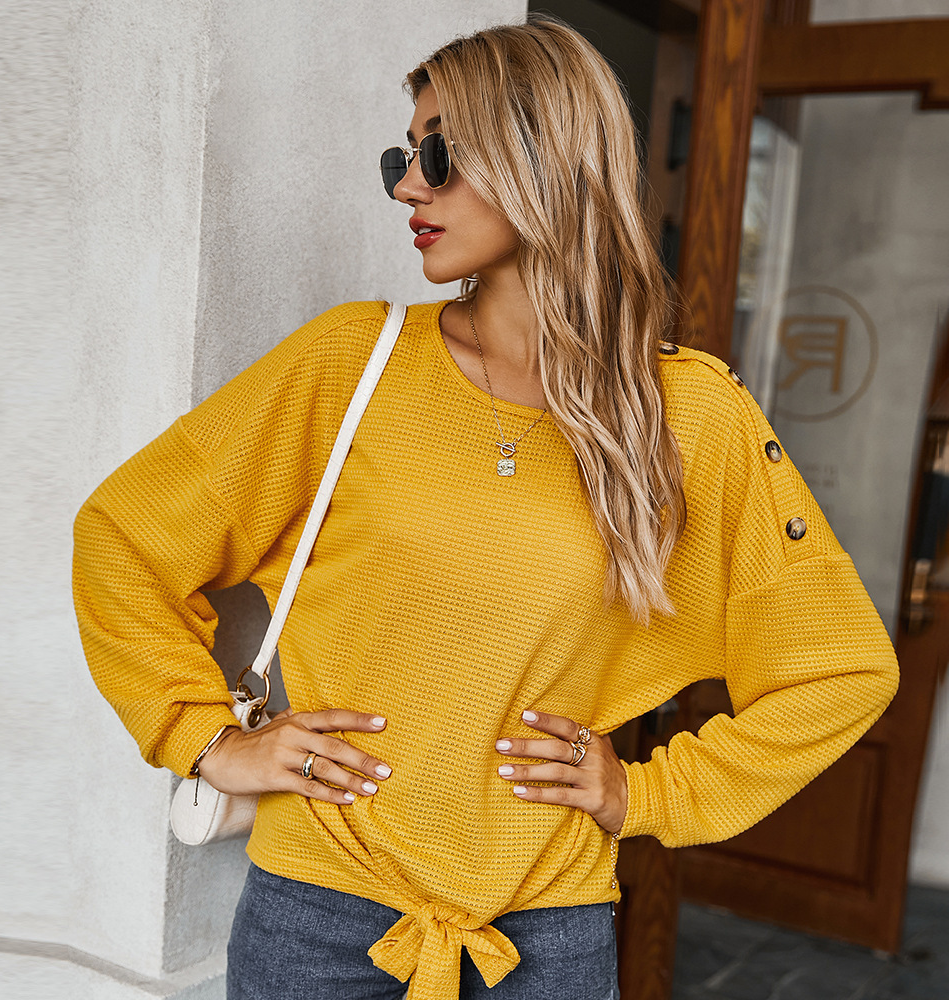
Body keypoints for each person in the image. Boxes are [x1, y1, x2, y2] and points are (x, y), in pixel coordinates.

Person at [72, 16, 899, 1000]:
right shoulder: (351, 362)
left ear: (544, 159)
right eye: (403, 156)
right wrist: (208, 739)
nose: (406, 186)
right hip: (316, 925)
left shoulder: (690, 416)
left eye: (439, 154)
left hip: (547, 941)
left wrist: (648, 792)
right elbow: (122, 540)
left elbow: (838, 669)